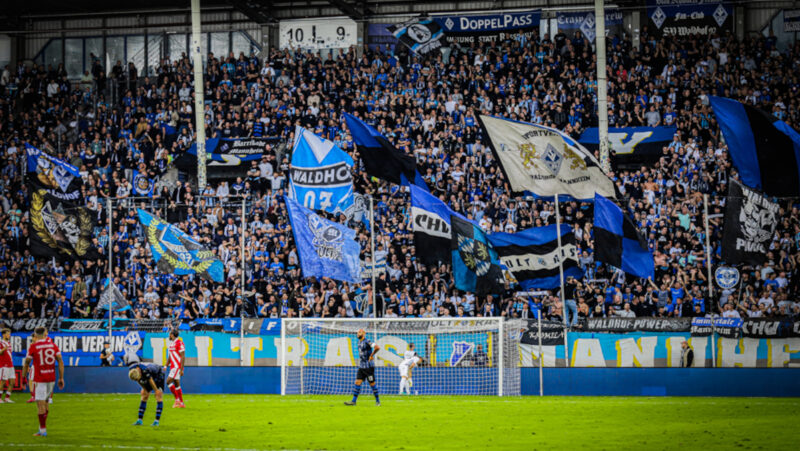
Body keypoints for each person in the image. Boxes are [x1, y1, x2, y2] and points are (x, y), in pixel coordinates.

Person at [22, 327, 65, 437]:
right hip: (51, 378)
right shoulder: (52, 345)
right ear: (45, 333)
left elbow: (26, 363)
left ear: (35, 335)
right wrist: (61, 378)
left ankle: (42, 430)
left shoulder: (34, 346)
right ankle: (42, 428)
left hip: (40, 379)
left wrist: (23, 378)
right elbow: (60, 361)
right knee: (46, 403)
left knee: (40, 405)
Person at [344, 328, 380, 406]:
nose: (358, 334)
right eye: (357, 332)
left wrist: (371, 355)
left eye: (360, 332)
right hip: (361, 366)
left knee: (372, 384)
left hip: (368, 367)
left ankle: (378, 401)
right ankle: (353, 401)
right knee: (357, 382)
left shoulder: (367, 341)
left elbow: (377, 347)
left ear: (364, 333)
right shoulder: (358, 342)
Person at [128, 362, 165, 426]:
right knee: (144, 395)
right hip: (148, 375)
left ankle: (156, 421)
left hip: (158, 374)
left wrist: (156, 391)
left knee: (158, 396)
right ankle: (140, 420)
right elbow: (138, 380)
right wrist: (144, 388)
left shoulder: (145, 371)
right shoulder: (132, 369)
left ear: (139, 373)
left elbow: (150, 380)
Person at [166, 329, 186, 408]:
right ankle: (181, 403)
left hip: (177, 367)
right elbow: (170, 356)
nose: (169, 336)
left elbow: (183, 356)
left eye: (170, 334)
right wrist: (166, 365)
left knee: (168, 382)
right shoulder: (172, 344)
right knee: (177, 385)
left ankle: (177, 400)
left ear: (172, 335)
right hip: (173, 367)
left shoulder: (179, 343)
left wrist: (181, 369)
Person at [0, 328, 14, 403]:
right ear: (3, 334)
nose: (9, 335)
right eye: (8, 333)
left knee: (12, 382)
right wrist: (4, 348)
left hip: (10, 365)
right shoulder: (1, 342)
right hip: (4, 365)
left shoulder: (9, 343)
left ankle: (7, 398)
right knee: (3, 382)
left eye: (9, 334)